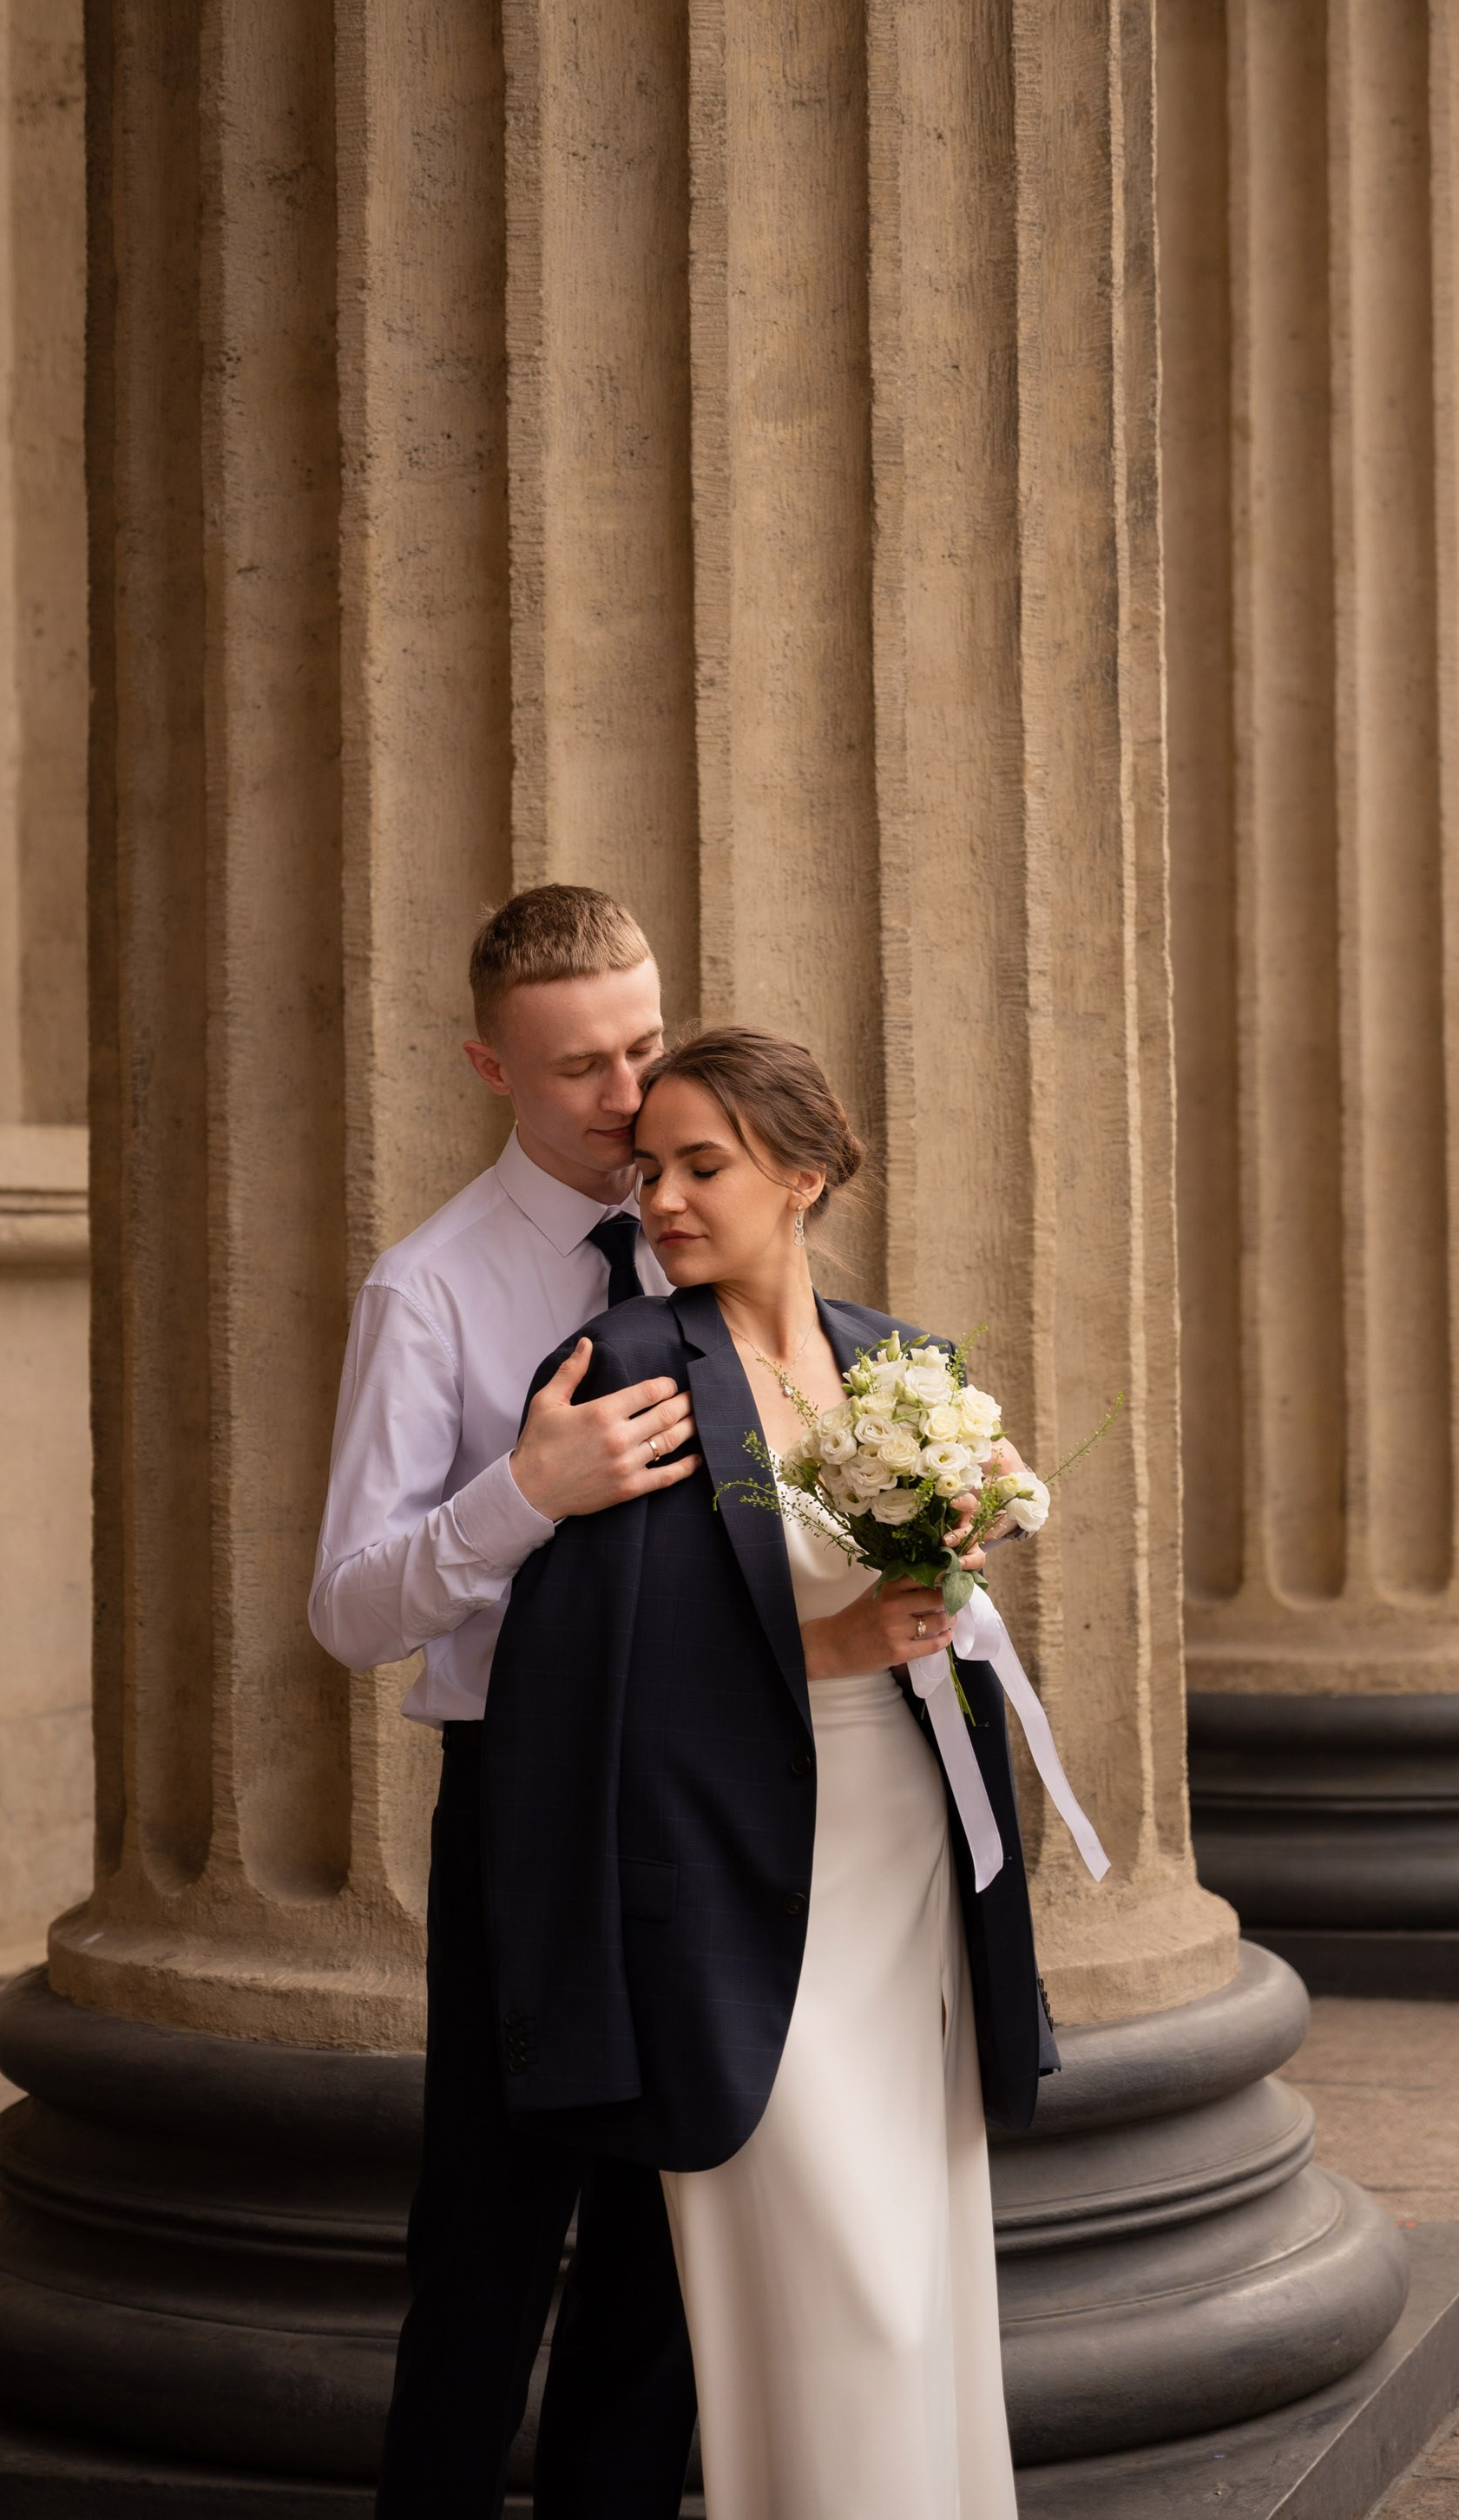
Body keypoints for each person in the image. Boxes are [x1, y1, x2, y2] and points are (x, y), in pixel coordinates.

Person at [483, 1027, 1061, 2520]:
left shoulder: (900, 1363)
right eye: (647, 1169)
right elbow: (574, 1677)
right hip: (734, 1887)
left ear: (801, 1177)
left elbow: (935, 1621)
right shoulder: (625, 1365)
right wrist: (832, 1644)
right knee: (828, 2283)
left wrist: (953, 1566)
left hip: (907, 1865)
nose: (661, 1198)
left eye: (702, 1166)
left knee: (919, 2264)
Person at [308, 884, 701, 2519]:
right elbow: (349, 1610)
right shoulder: (434, 1290)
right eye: (576, 1071)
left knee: (663, 2250)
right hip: (527, 1815)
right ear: (491, 1067)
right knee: (489, 2229)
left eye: (644, 1047)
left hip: (699, 1805)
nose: (626, 1099)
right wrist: (523, 1493)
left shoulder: (714, 1231)